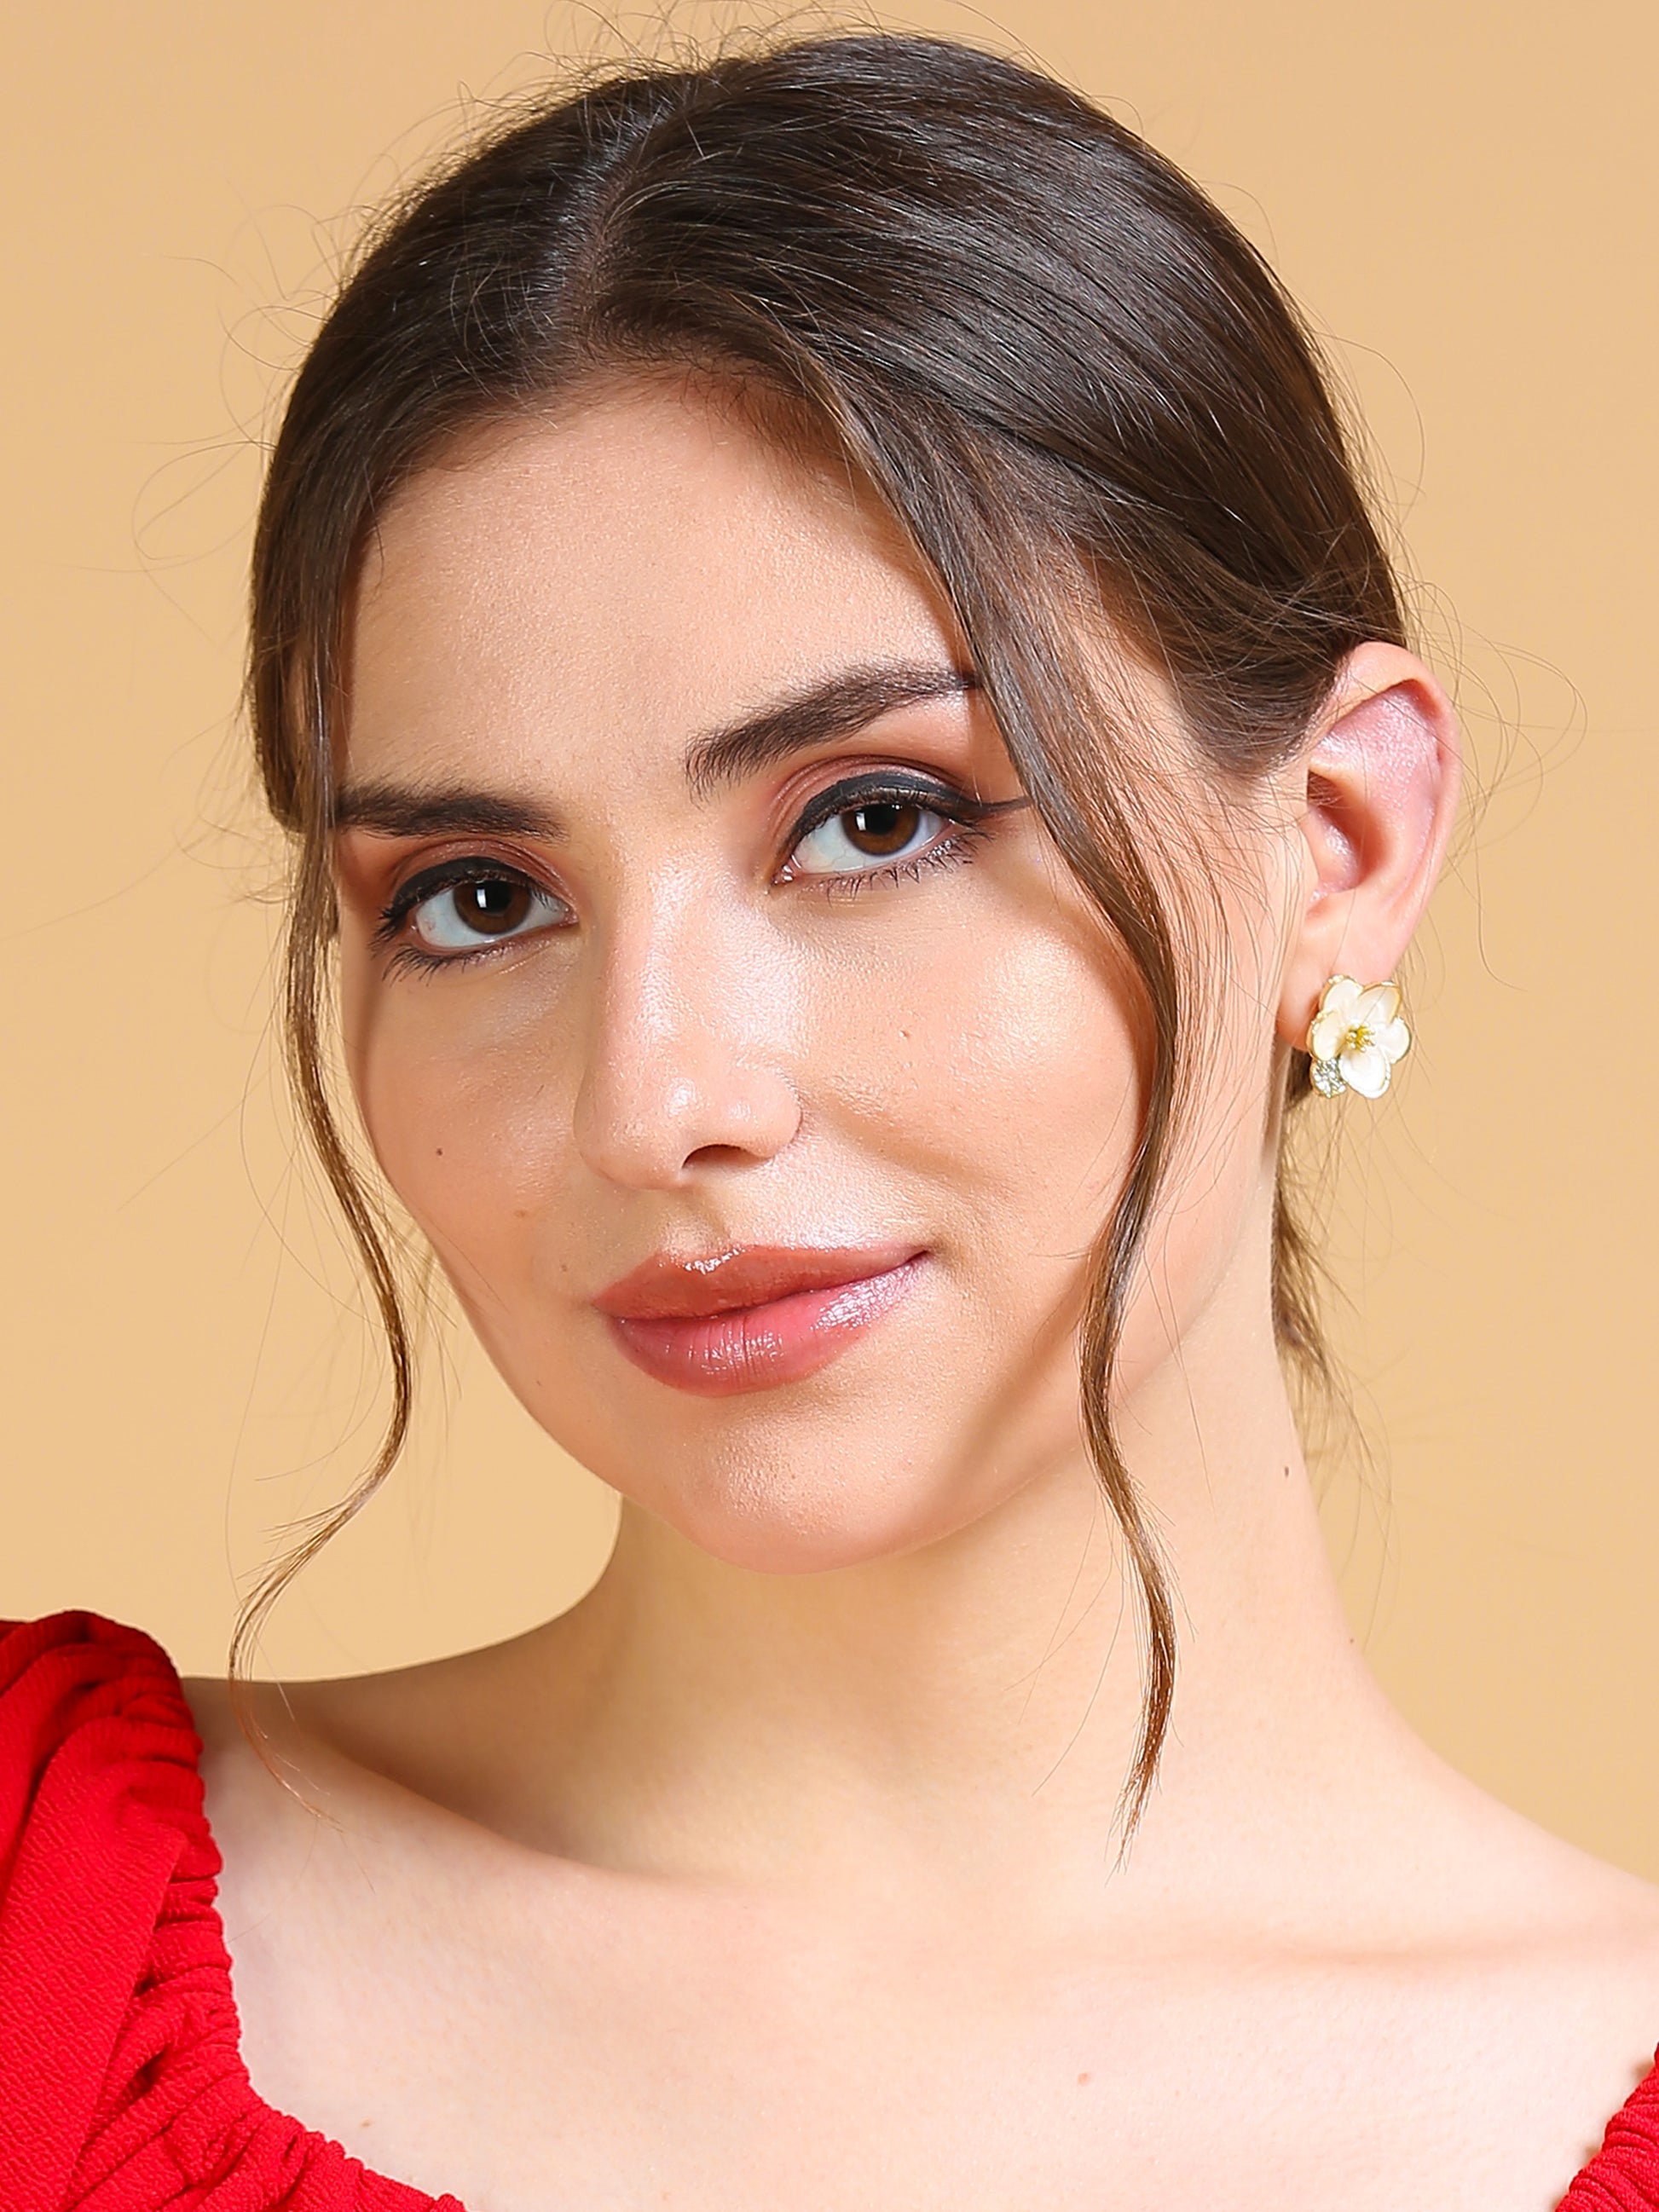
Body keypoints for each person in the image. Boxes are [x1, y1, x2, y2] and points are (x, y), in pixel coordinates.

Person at [2, 30, 1656, 2210]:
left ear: (1333, 839)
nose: (654, 1097)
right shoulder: (42, 1929)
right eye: (480, 898)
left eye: (873, 820)